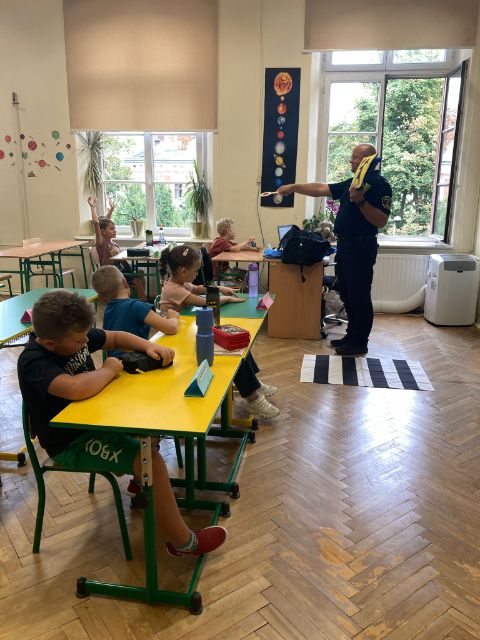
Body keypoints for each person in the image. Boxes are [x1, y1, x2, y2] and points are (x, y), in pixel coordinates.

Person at [17, 290, 227, 557]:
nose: (86, 343)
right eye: (80, 341)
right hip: (71, 443)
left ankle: (142, 482)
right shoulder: (34, 361)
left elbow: (115, 337)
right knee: (151, 461)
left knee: (152, 421)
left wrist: (148, 346)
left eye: (86, 337)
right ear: (49, 343)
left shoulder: (73, 335)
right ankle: (184, 543)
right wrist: (109, 369)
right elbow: (74, 388)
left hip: (96, 420)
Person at [278, 144, 392, 356]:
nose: (351, 161)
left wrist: (361, 201)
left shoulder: (379, 184)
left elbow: (381, 220)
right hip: (346, 246)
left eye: (355, 158)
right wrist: (294, 187)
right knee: (347, 293)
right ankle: (351, 336)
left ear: (367, 161)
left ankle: (359, 343)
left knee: (359, 296)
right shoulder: (353, 183)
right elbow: (322, 189)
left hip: (361, 247)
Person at [160, 245, 280, 419]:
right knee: (231, 352)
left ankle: (254, 385)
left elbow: (199, 289)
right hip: (177, 342)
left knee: (236, 343)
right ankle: (252, 398)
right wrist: (227, 298)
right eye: (196, 271)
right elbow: (204, 301)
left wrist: (219, 288)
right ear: (183, 271)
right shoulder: (173, 289)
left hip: (186, 332)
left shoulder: (181, 282)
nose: (197, 274)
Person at [91, 264, 180, 499]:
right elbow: (170, 328)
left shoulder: (109, 309)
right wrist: (173, 315)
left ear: (101, 297)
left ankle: (135, 464)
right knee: (153, 418)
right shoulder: (136, 306)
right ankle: (143, 477)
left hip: (117, 375)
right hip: (138, 372)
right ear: (125, 283)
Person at [88, 196, 147, 301]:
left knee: (140, 273)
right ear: (103, 232)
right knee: (137, 281)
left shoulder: (113, 244)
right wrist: (93, 207)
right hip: (110, 274)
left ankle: (135, 300)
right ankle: (143, 304)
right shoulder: (101, 243)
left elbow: (105, 222)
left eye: (114, 228)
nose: (115, 230)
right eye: (112, 229)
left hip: (119, 269)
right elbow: (97, 224)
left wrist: (111, 209)